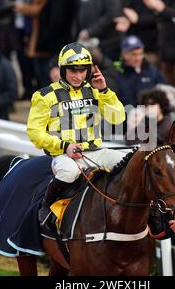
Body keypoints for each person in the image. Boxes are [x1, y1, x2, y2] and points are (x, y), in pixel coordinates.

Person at [27, 42, 126, 223]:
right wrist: (64, 146)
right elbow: (34, 132)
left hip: (94, 152)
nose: (78, 76)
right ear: (63, 70)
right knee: (69, 172)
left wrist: (104, 90)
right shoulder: (44, 96)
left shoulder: (95, 91)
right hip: (63, 156)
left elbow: (118, 118)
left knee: (126, 163)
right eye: (73, 71)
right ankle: (46, 205)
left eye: (82, 71)